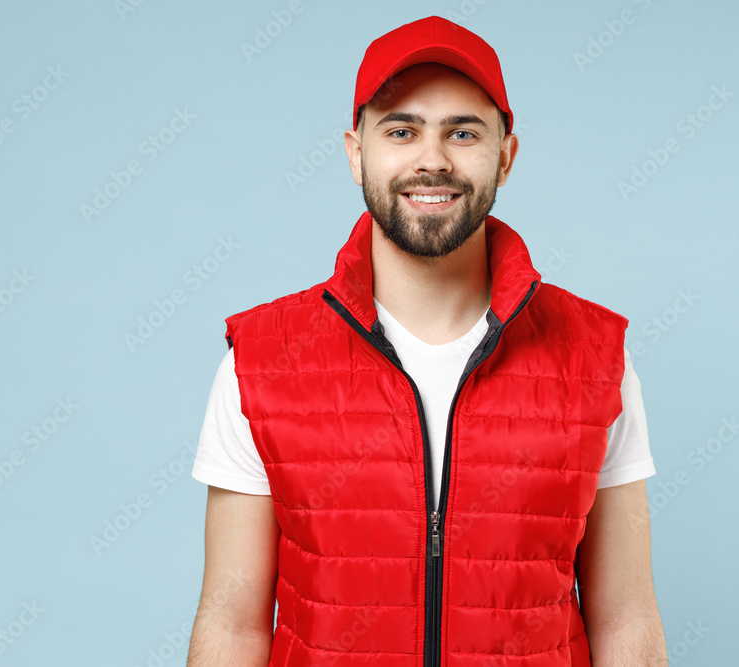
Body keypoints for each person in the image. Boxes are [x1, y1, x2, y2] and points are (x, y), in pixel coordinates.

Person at [187, 15, 667, 667]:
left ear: (506, 153)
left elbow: (627, 616)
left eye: (462, 131)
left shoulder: (596, 358)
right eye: (402, 129)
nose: (431, 159)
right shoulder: (262, 361)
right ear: (357, 152)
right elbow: (232, 621)